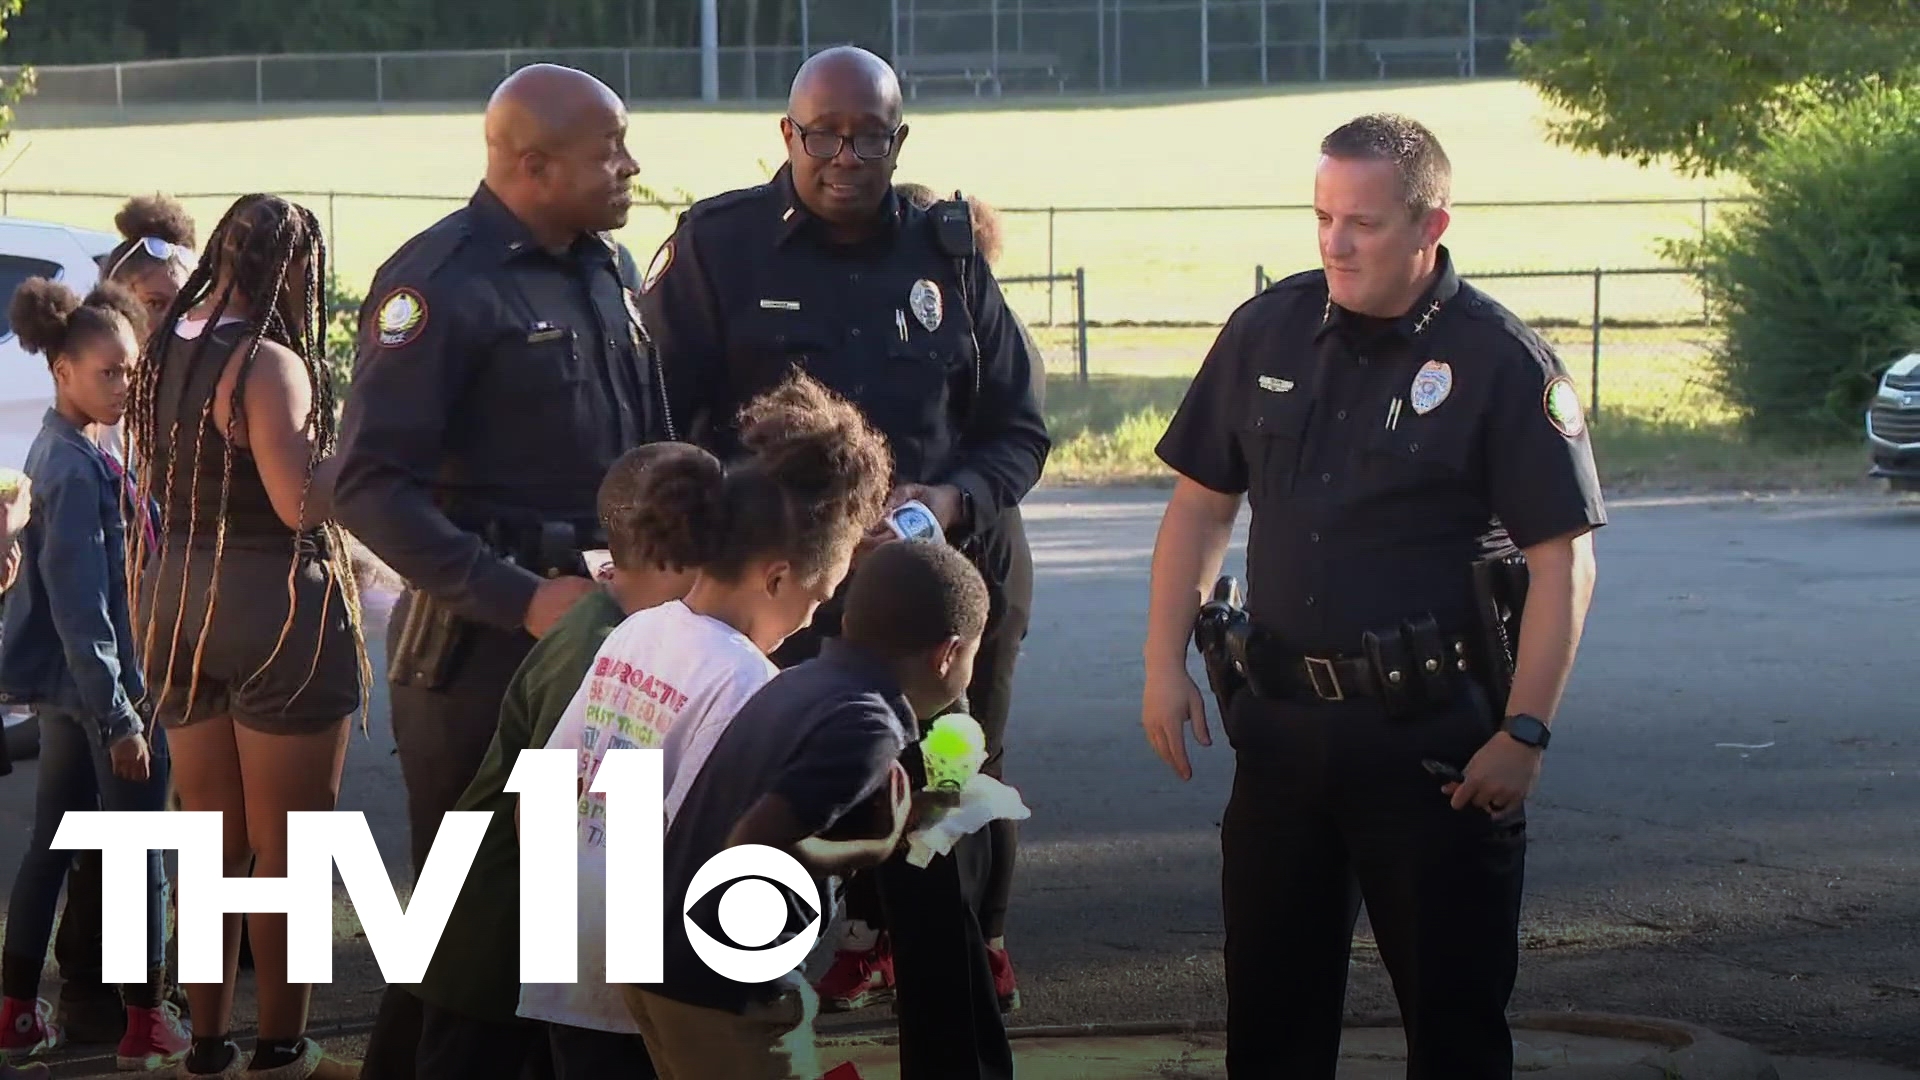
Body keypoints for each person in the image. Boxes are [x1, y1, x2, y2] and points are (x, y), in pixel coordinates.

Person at [1141, 113, 1605, 1079]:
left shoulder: (1502, 363)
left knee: (1455, 1029)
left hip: (1436, 750)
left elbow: (1564, 561)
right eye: (1322, 217)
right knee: (1269, 1028)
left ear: (1431, 226)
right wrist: (1162, 665)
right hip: (1279, 738)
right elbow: (1198, 507)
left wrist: (1525, 734)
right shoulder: (1268, 328)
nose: (1336, 242)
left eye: (1363, 222)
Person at [637, 46, 1047, 1068]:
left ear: (897, 141)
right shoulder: (721, 246)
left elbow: (1018, 428)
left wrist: (952, 497)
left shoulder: (946, 253)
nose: (846, 156)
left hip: (931, 596)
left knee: (940, 822)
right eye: (825, 134)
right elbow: (663, 419)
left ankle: (955, 1043)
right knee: (791, 808)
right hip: (790, 594)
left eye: (869, 136)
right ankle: (759, 1036)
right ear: (790, 135)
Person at [333, 61, 666, 1080]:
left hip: (616, 638)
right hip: (485, 656)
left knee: (599, 929)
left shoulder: (608, 270)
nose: (631, 166)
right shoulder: (439, 283)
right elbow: (366, 487)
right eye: (608, 149)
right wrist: (524, 601)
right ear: (533, 163)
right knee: (478, 941)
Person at [525, 371, 892, 1072]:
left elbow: (545, 789)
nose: (816, 617)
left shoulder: (637, 629)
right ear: (779, 578)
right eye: (821, 596)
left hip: (568, 957)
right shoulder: (745, 680)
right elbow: (717, 850)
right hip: (653, 978)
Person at [126, 192, 369, 1080]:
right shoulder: (270, 363)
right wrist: (362, 448)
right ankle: (281, 1046)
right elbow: (298, 503)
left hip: (175, 598)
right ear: (296, 271)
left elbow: (156, 477)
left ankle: (207, 1042)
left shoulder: (160, 351)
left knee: (210, 840)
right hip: (273, 603)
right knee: (287, 847)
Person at [628, 539, 991, 1080]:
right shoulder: (869, 725)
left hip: (657, 962)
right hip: (727, 989)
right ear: (948, 654)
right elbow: (750, 846)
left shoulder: (802, 682)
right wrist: (877, 846)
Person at [406, 440, 710, 1080]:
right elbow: (544, 818)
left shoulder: (616, 621)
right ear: (682, 550)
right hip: (497, 950)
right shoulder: (602, 646)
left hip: (515, 945)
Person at [0, 279, 189, 1072]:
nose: (123, 387)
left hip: (72, 693)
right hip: (102, 694)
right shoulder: (74, 467)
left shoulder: (75, 448)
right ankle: (146, 1020)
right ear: (62, 371)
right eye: (107, 373)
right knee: (139, 850)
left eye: (131, 372)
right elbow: (85, 607)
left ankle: (15, 1014)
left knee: (52, 845)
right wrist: (121, 717)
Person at [48, 191, 202, 1051]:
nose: (177, 318)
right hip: (119, 659)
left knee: (116, 832)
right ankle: (108, 999)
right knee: (119, 835)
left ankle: (112, 997)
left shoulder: (157, 395)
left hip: (142, 648)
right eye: (159, 303)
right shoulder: (111, 416)